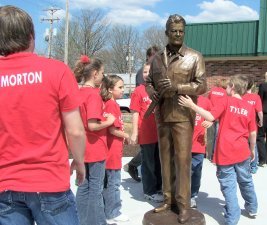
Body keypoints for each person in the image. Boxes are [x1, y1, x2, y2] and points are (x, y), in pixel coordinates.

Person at [0, 6, 86, 225]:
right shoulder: (57, 71)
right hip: (50, 183)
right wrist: (79, 161)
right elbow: (75, 130)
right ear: (32, 36)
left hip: (6, 186)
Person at [145, 14, 206, 223]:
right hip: (162, 115)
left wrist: (178, 88)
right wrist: (150, 91)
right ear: (167, 33)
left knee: (182, 161)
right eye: (174, 31)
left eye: (181, 31)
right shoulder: (157, 59)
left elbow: (202, 85)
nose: (178, 34)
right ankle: (167, 199)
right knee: (165, 160)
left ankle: (184, 205)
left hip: (182, 116)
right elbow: (148, 82)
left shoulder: (194, 57)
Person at [179, 74, 258, 225]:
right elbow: (253, 133)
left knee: (229, 186)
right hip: (243, 152)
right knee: (246, 180)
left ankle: (232, 219)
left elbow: (209, 116)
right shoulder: (249, 107)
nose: (225, 88)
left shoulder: (226, 101)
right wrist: (252, 149)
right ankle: (252, 207)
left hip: (225, 153)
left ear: (232, 88)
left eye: (227, 86)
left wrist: (192, 106)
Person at [73, 56, 116, 225]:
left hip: (81, 148)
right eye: (102, 73)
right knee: (96, 189)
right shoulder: (93, 95)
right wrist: (109, 121)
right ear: (95, 73)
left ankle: (81, 221)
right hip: (95, 148)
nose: (103, 77)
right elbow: (92, 125)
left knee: (82, 187)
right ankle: (98, 222)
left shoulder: (77, 93)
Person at [124, 45, 160, 182]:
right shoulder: (143, 74)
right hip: (145, 124)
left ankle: (154, 183)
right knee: (148, 154)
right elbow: (138, 104)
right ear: (149, 57)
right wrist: (134, 131)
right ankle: (133, 166)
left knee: (155, 156)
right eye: (154, 57)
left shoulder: (158, 70)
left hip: (157, 126)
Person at [130, 63, 163, 202]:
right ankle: (149, 191)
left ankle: (159, 187)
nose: (146, 74)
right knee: (148, 163)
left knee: (159, 162)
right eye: (144, 71)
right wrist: (134, 132)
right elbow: (135, 112)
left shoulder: (159, 90)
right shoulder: (139, 91)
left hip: (160, 133)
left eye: (149, 71)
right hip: (146, 133)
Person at [101, 75, 130, 223]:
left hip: (112, 150)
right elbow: (112, 129)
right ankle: (113, 213)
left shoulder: (110, 104)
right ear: (111, 89)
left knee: (109, 183)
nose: (122, 90)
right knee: (114, 184)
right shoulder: (112, 105)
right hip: (111, 152)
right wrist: (127, 135)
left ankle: (108, 211)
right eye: (120, 87)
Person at [190, 95, 212, 208]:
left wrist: (210, 122)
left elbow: (213, 116)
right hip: (182, 144)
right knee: (182, 172)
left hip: (198, 144)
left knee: (196, 172)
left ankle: (192, 196)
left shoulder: (205, 101)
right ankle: (180, 195)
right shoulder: (182, 98)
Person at [243, 77, 263, 173]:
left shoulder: (241, 96)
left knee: (243, 145)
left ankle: (244, 165)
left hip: (242, 125)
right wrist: (261, 121)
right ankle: (254, 166)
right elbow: (259, 112)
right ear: (253, 86)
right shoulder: (256, 97)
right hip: (252, 125)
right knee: (253, 145)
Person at [207, 78, 227, 160]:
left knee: (210, 136)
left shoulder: (212, 90)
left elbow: (208, 101)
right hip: (219, 116)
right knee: (217, 136)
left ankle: (209, 154)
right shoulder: (225, 93)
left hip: (210, 115)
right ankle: (215, 155)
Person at [257, 72, 267, 166]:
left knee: (260, 137)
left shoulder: (263, 86)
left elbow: (259, 100)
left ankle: (263, 159)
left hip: (264, 114)